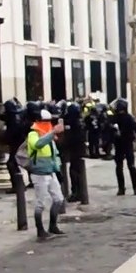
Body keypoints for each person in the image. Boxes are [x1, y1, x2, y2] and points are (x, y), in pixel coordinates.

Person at [26, 109, 66, 241]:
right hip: (39, 173)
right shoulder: (33, 134)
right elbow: (38, 144)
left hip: (50, 171)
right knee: (40, 203)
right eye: (45, 121)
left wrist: (57, 170)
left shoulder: (48, 136)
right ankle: (40, 230)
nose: (48, 124)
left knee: (59, 199)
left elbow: (54, 154)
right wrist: (52, 132)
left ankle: (53, 226)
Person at [110, 98, 136, 196]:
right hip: (128, 144)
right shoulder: (129, 117)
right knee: (131, 166)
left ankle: (121, 189)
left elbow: (109, 129)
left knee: (119, 167)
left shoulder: (114, 118)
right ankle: (135, 188)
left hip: (119, 145)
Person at [60, 102, 87, 203]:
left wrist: (64, 145)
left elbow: (71, 138)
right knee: (76, 170)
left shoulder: (74, 123)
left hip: (76, 150)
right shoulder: (79, 121)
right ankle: (78, 192)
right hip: (79, 149)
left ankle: (77, 193)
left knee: (74, 171)